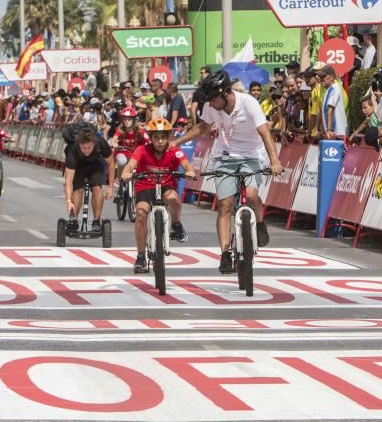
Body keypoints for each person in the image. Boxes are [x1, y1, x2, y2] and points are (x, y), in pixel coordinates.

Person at [174, 70, 283, 273]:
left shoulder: (249, 103)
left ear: (225, 93)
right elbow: (202, 128)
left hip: (252, 153)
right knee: (224, 205)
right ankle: (225, 253)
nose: (211, 104)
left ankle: (259, 223)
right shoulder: (211, 105)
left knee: (251, 194)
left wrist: (274, 161)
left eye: (213, 99)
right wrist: (176, 143)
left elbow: (265, 132)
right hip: (225, 155)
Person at [121, 118, 196, 273]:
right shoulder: (142, 149)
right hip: (145, 186)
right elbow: (131, 164)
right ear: (151, 137)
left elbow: (186, 164)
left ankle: (176, 224)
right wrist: (127, 171)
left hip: (167, 186)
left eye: (163, 137)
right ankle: (141, 256)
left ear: (168, 137)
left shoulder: (174, 150)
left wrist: (189, 171)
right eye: (156, 137)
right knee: (141, 213)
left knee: (174, 199)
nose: (160, 141)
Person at [63, 128, 114, 234]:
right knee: (78, 190)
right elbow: (68, 181)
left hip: (95, 166)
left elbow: (111, 163)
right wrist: (68, 201)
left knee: (97, 189)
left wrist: (110, 187)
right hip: (79, 166)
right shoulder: (73, 150)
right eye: (83, 148)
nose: (86, 150)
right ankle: (74, 220)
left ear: (94, 144)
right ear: (79, 144)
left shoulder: (100, 143)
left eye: (89, 147)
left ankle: (96, 221)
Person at [111, 106, 149, 173]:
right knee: (122, 161)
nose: (127, 122)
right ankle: (119, 179)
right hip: (123, 153)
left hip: (136, 153)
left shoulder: (140, 130)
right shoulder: (120, 130)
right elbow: (113, 139)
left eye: (129, 119)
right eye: (125, 119)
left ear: (134, 120)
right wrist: (114, 144)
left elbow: (148, 140)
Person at [318, 65, 348, 140]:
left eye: (323, 76)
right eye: (320, 77)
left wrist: (329, 130)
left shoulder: (335, 88)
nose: (321, 79)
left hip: (337, 134)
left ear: (331, 77)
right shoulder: (329, 90)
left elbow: (330, 109)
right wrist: (323, 130)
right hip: (333, 134)